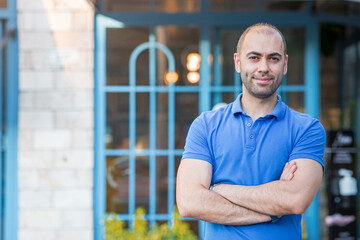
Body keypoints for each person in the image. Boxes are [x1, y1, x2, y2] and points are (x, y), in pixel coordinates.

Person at [176, 23, 326, 240]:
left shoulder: (307, 129)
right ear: (238, 62)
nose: (263, 67)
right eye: (254, 57)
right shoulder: (205, 126)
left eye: (273, 58)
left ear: (285, 64)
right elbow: (190, 202)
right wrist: (273, 211)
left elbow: (295, 200)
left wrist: (219, 189)